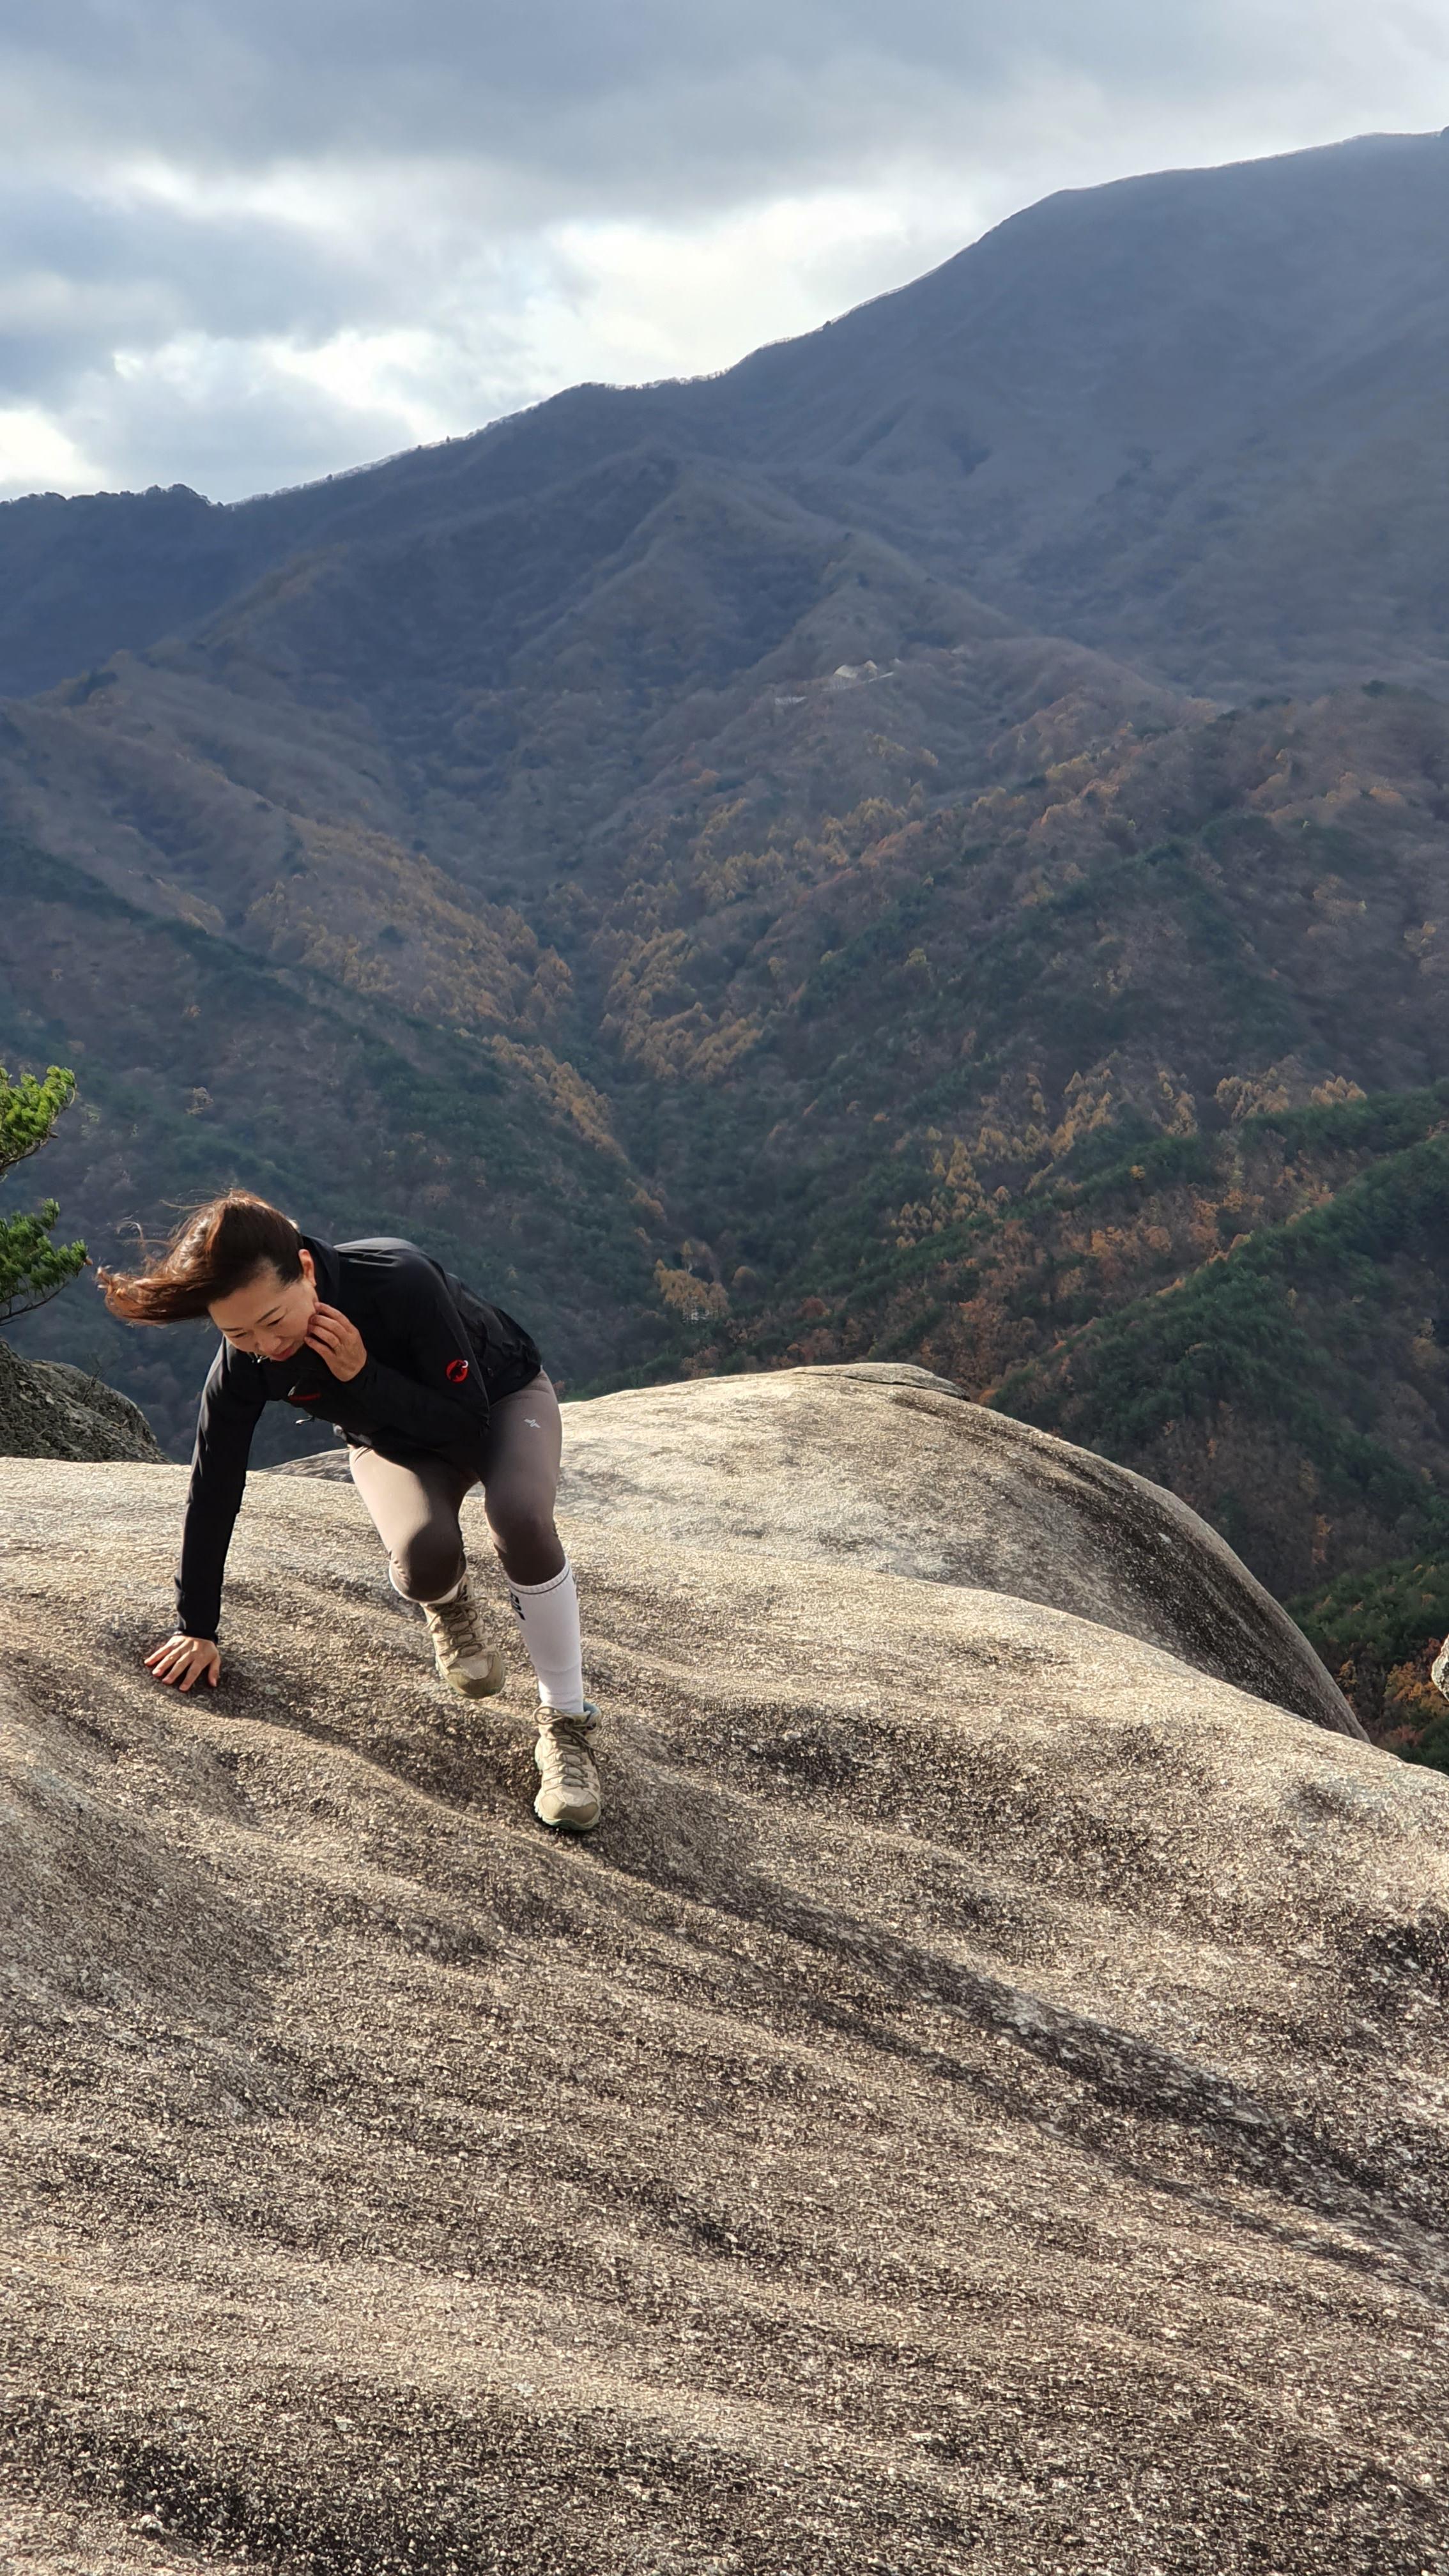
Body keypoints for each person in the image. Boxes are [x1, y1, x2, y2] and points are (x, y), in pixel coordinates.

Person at [99, 1191, 602, 1832]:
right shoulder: (248, 1362)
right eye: (237, 1333)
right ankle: (448, 1601)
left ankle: (566, 1723)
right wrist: (197, 1625)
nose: (265, 1345)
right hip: (386, 1439)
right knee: (422, 1559)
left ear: (307, 1270)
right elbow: (214, 1482)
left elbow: (468, 1427)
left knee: (521, 1519)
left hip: (498, 1400)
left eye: (273, 1320)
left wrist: (363, 1375)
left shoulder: (398, 1281)